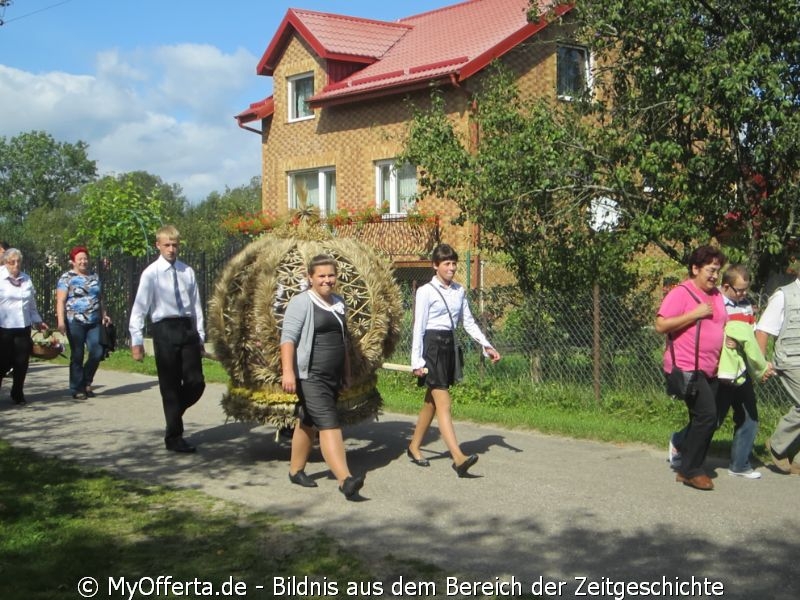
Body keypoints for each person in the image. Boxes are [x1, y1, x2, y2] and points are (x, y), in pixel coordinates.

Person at [409, 243, 501, 477]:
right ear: (435, 266)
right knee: (444, 403)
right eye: (447, 264)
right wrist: (416, 361)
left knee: (432, 402)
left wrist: (486, 345)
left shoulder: (459, 290)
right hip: (431, 348)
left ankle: (413, 447)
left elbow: (467, 322)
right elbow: (418, 327)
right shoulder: (425, 291)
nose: (452, 268)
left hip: (449, 345)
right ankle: (458, 458)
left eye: (453, 264)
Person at [280, 254, 364, 499]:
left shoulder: (338, 302)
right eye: (321, 276)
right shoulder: (301, 302)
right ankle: (345, 480)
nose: (327, 280)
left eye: (331, 275)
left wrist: (347, 372)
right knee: (329, 423)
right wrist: (288, 372)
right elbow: (288, 339)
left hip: (333, 376)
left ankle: (296, 470)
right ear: (310, 278)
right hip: (311, 376)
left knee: (308, 420)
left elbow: (343, 341)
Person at [129, 225, 206, 453]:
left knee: (196, 382)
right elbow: (140, 307)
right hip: (164, 329)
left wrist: (200, 334)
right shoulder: (151, 273)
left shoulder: (187, 272)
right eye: (167, 245)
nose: (171, 249)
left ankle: (173, 415)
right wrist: (136, 340)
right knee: (170, 386)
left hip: (186, 328)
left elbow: (196, 305)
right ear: (158, 246)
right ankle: (174, 436)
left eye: (174, 245)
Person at [656, 245, 727, 490]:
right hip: (687, 366)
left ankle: (685, 455)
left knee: (710, 417)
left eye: (717, 271)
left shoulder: (716, 294)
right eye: (710, 270)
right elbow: (661, 325)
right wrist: (694, 314)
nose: (714, 276)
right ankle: (690, 470)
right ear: (695, 268)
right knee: (707, 416)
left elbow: (719, 325)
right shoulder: (681, 293)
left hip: (711, 367)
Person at [715, 264, 772, 479]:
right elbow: (708, 331)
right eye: (739, 290)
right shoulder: (717, 303)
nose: (743, 294)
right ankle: (682, 444)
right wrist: (724, 339)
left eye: (746, 289)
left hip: (741, 371)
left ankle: (739, 465)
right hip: (722, 371)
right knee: (713, 418)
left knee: (749, 417)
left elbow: (751, 333)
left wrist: (760, 363)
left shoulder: (747, 305)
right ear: (726, 286)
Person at [755, 266, 800, 475]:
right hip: (790, 360)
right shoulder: (784, 295)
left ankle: (797, 458)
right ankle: (777, 444)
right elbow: (763, 329)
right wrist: (761, 363)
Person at [56, 246, 113, 399]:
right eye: (80, 259)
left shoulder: (94, 276)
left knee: (97, 351)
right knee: (78, 354)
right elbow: (60, 300)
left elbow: (99, 299)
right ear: (73, 262)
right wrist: (60, 321)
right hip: (74, 322)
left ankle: (86, 381)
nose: (83, 261)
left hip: (94, 321)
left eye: (85, 258)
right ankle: (77, 388)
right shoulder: (66, 278)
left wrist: (104, 315)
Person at [0, 248, 48, 405]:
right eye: (12, 262)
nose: (15, 265)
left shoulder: (26, 279)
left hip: (23, 327)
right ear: (5, 263)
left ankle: (17, 392)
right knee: (3, 362)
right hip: (3, 327)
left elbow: (31, 306)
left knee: (21, 362)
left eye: (18, 261)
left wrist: (38, 321)